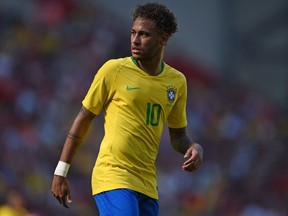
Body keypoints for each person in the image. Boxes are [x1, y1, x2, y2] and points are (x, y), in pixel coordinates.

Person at [51, 2, 203, 215]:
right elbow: (83, 118)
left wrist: (193, 146)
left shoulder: (177, 82)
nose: (135, 40)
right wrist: (61, 171)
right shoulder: (114, 70)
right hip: (114, 176)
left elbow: (178, 135)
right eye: (133, 33)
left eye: (144, 34)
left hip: (147, 184)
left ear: (164, 38)